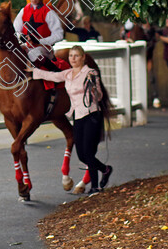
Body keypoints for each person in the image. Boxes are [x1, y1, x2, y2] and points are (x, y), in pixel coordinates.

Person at [28, 45, 113, 196]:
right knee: (81, 155)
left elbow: (99, 96)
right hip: (78, 116)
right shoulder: (67, 74)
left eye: (76, 56)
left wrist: (93, 89)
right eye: (71, 56)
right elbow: (51, 76)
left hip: (92, 114)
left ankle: (95, 187)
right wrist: (33, 71)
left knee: (88, 153)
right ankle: (105, 169)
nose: (73, 59)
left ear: (83, 58)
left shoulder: (90, 73)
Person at [13, 0, 64, 69]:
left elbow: (59, 34)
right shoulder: (23, 11)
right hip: (28, 46)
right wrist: (21, 36)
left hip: (44, 49)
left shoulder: (49, 12)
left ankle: (55, 71)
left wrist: (40, 41)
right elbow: (15, 29)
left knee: (34, 54)